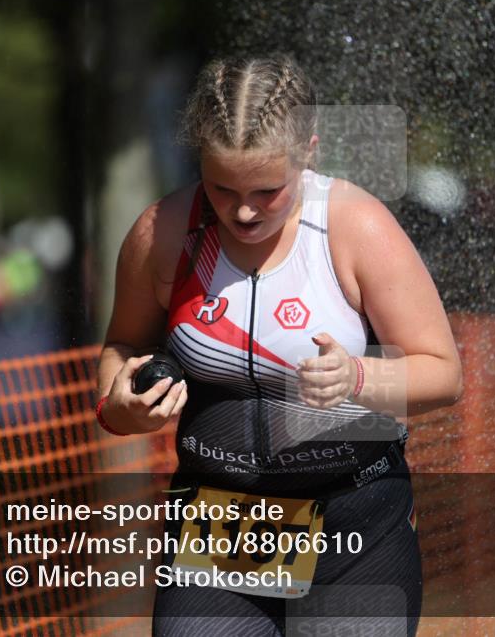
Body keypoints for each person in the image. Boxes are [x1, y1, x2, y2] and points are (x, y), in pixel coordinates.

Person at [96, 54, 463, 636]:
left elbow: (443, 373)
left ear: (309, 152)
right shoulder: (163, 232)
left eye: (267, 190)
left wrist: (358, 378)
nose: (243, 210)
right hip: (220, 524)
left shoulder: (356, 226)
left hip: (355, 520)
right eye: (222, 188)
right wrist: (120, 408)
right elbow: (121, 345)